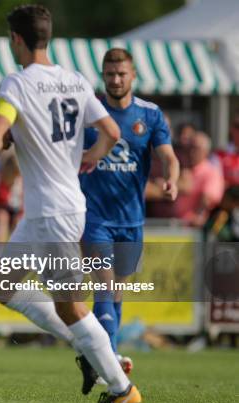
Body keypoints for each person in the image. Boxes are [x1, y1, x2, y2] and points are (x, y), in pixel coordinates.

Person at [0, 5, 141, 403]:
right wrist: (92, 156)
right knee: (3, 285)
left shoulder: (17, 84)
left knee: (70, 306)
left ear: (16, 38)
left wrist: (3, 138)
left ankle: (122, 389)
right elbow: (111, 130)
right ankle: (96, 353)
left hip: (51, 214)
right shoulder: (74, 80)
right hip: (54, 209)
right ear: (46, 37)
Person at [79, 48, 180, 377]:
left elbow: (168, 156)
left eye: (122, 74)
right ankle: (106, 358)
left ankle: (102, 352)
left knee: (117, 289)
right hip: (94, 217)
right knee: (105, 286)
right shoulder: (90, 111)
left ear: (133, 75)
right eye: (110, 74)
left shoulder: (149, 115)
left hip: (132, 220)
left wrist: (172, 180)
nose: (116, 80)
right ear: (103, 75)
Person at [174, 131, 225, 226]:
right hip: (173, 224)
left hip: (194, 228)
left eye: (196, 148)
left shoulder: (211, 172)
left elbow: (208, 200)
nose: (191, 152)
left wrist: (198, 217)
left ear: (206, 152)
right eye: (189, 147)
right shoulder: (182, 168)